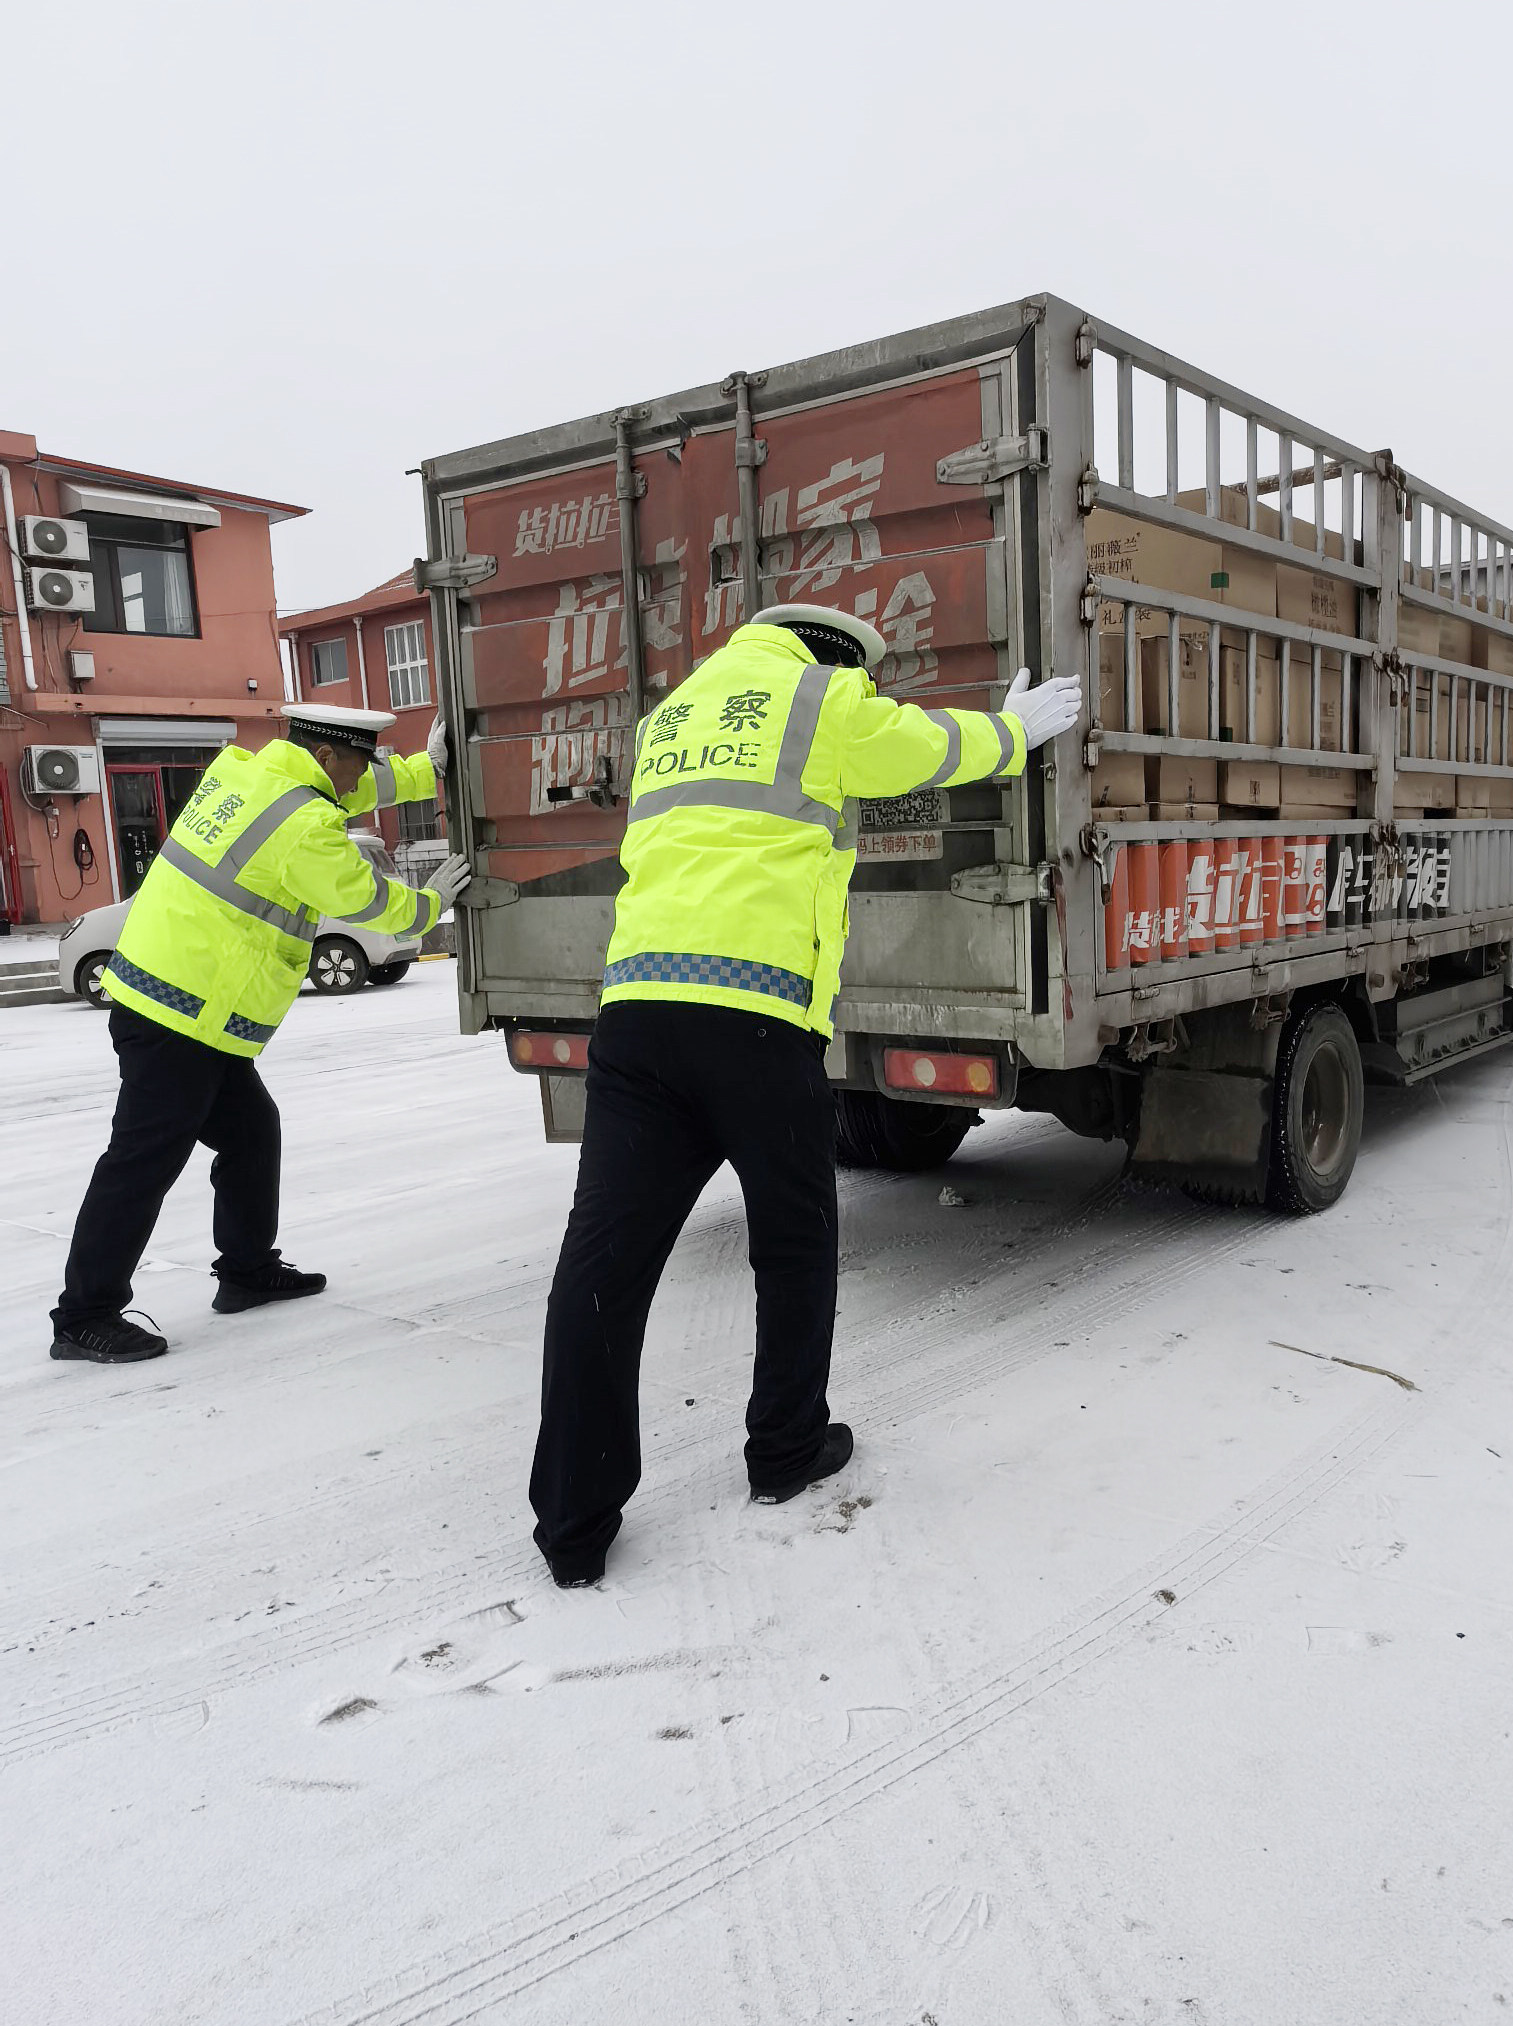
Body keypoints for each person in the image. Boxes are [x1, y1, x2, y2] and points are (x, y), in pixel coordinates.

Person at [528, 603, 1081, 1588]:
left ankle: (573, 1521)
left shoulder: (672, 719)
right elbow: (921, 746)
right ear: (841, 657)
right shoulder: (825, 698)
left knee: (602, 1264)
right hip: (753, 1015)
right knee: (791, 1239)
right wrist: (1012, 728)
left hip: (637, 1012)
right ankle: (783, 1449)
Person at [50, 703, 471, 1364]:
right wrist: (431, 903)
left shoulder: (251, 774)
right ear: (328, 756)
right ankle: (83, 1314)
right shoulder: (304, 822)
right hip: (178, 1013)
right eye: (365, 757)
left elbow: (363, 788)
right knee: (141, 1161)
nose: (370, 771)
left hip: (188, 1007)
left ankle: (246, 1271)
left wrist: (428, 770)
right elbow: (362, 898)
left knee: (251, 1134)